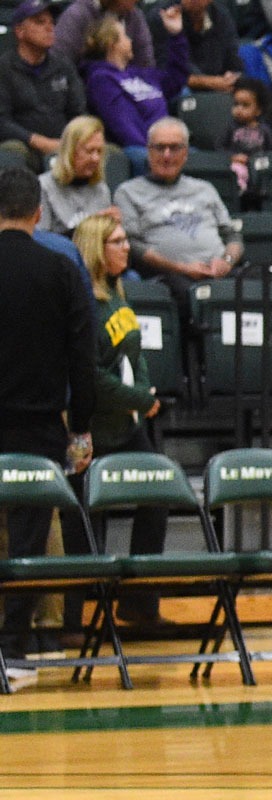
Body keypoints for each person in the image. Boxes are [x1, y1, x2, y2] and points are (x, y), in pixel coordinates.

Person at [0, 165, 95, 671]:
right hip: (38, 429)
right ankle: (13, 647)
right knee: (29, 541)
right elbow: (84, 358)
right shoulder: (61, 270)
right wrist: (80, 426)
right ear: (39, 212)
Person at [63, 211, 165, 625]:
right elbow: (89, 374)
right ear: (95, 249)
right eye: (117, 241)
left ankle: (139, 605)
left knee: (158, 496)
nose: (126, 247)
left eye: (126, 240)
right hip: (92, 425)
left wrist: (143, 394)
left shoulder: (119, 292)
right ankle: (75, 618)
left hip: (126, 426)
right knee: (82, 518)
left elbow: (132, 355)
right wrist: (137, 397)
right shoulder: (85, 301)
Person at [113, 117, 242, 314]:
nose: (167, 155)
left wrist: (227, 261)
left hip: (220, 273)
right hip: (169, 278)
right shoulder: (128, 192)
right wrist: (182, 268)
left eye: (174, 148)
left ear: (186, 153)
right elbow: (133, 246)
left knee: (259, 286)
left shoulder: (204, 188)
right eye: (159, 147)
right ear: (148, 151)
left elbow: (233, 236)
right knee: (184, 293)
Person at [81, 11, 192, 171]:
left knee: (204, 161)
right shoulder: (101, 79)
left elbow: (176, 80)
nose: (130, 40)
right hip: (140, 150)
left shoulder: (140, 74)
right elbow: (124, 126)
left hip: (165, 145)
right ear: (112, 43)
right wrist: (157, 152)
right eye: (125, 36)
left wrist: (176, 36)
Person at [1, 0, 89, 172]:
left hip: (64, 144)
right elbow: (2, 121)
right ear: (20, 31)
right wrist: (38, 141)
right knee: (11, 150)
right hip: (26, 146)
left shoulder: (63, 66)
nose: (49, 28)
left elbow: (79, 112)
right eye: (40, 22)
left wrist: (72, 142)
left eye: (51, 22)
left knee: (106, 151)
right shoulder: (4, 69)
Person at [37, 115, 114, 236]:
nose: (95, 158)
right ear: (70, 151)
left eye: (99, 151)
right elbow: (42, 239)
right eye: (89, 151)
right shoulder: (43, 186)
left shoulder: (101, 188)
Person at [154, 0, 241, 94]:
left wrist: (231, 76)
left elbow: (234, 58)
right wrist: (211, 82)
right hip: (180, 90)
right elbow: (167, 72)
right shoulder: (165, 16)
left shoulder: (221, 15)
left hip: (220, 86)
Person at [53, 0, 154, 71]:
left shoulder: (135, 16)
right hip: (87, 93)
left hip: (131, 91)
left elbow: (146, 66)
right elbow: (59, 67)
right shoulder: (76, 16)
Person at [223, 77, 272, 191]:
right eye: (236, 104)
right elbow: (219, 148)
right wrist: (232, 157)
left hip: (258, 167)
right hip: (238, 166)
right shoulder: (231, 127)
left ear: (258, 110)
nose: (239, 109)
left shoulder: (265, 130)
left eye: (245, 105)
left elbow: (271, 153)